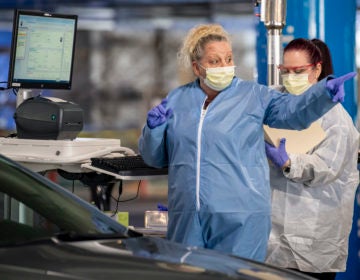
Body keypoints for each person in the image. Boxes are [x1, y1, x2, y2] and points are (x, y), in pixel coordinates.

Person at [138, 24, 355, 262]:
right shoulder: (178, 99)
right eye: (215, 61)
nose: (224, 66)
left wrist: (323, 94)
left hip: (240, 219)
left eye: (228, 58)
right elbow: (155, 158)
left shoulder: (254, 96)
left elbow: (292, 112)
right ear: (197, 67)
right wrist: (154, 129)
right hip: (188, 217)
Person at [264, 38, 359, 280]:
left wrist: (289, 162)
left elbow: (328, 167)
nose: (291, 77)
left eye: (299, 71)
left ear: (317, 69)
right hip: (271, 243)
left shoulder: (336, 119)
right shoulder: (273, 105)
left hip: (313, 243)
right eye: (286, 71)